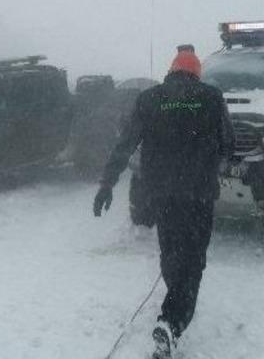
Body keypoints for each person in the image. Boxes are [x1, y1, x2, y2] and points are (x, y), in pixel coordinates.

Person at [93, 44, 234, 359]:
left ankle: (174, 302)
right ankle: (172, 322)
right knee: (194, 260)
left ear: (171, 71)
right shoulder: (211, 98)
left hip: (162, 194)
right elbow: (229, 144)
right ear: (196, 73)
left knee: (171, 253)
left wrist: (107, 183)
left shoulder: (149, 99)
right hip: (198, 195)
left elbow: (125, 144)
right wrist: (216, 161)